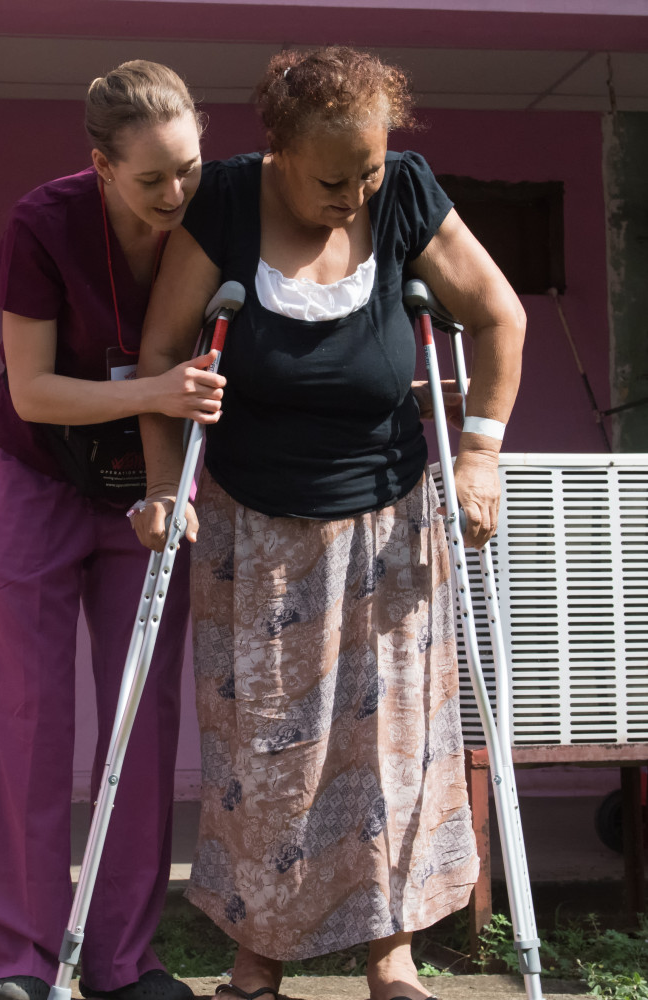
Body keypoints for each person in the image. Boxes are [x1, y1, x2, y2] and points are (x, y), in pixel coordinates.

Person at [132, 46, 525, 1000]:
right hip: (251, 530)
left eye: (371, 171)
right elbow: (162, 356)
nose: (354, 193)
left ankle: (391, 955)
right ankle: (256, 956)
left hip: (389, 522)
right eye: (332, 177)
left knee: (391, 749)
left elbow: (499, 316)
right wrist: (163, 491)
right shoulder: (224, 201)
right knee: (263, 749)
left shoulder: (405, 198)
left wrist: (478, 452)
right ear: (279, 150)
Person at [0, 60, 227, 1000]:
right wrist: (160, 387)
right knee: (30, 718)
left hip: (152, 485)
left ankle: (123, 962)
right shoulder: (43, 223)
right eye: (152, 177)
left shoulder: (212, 214)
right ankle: (19, 961)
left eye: (189, 169)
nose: (175, 194)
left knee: (141, 717)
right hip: (36, 477)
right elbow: (32, 388)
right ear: (102, 166)